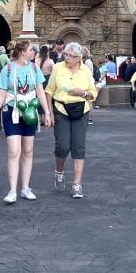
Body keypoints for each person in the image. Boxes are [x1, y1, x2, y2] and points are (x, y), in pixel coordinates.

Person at [0, 40, 53, 203]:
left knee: (28, 150)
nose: (34, 52)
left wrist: (46, 112)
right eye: (32, 50)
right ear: (23, 52)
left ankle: (25, 187)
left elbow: (40, 90)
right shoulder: (8, 69)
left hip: (30, 111)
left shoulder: (34, 68)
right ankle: (12, 190)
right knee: (13, 151)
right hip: (12, 111)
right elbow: (2, 92)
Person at [45, 42, 97, 198]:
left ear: (78, 58)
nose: (65, 57)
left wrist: (82, 93)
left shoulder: (86, 70)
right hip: (61, 110)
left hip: (81, 111)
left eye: (69, 55)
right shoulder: (58, 68)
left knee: (78, 147)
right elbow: (49, 91)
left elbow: (92, 93)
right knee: (62, 146)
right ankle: (59, 172)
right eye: (65, 54)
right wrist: (49, 112)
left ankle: (77, 185)